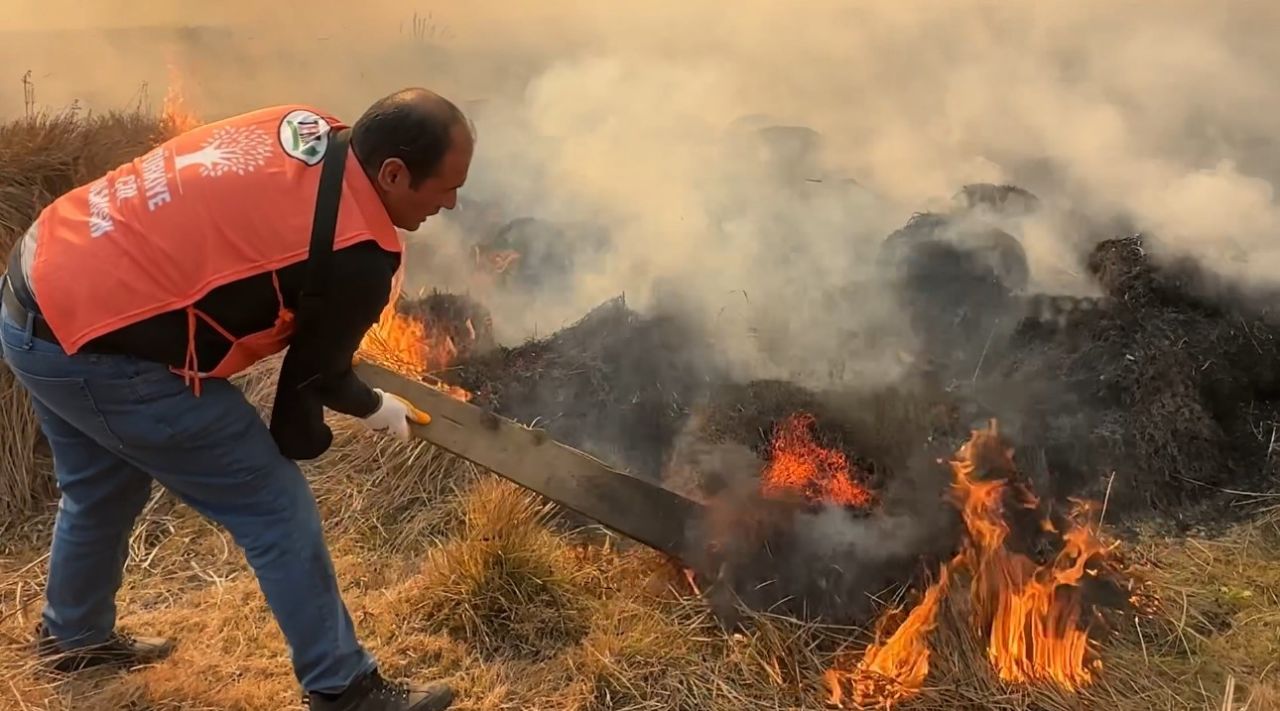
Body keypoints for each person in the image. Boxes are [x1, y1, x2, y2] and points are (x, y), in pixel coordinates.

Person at [0, 87, 474, 711]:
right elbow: (319, 377)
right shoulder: (358, 252)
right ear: (392, 172)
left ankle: (74, 636)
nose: (453, 202)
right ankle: (344, 689)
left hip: (40, 281)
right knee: (274, 507)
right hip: (92, 342)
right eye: (445, 187)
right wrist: (375, 407)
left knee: (101, 484)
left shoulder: (305, 125)